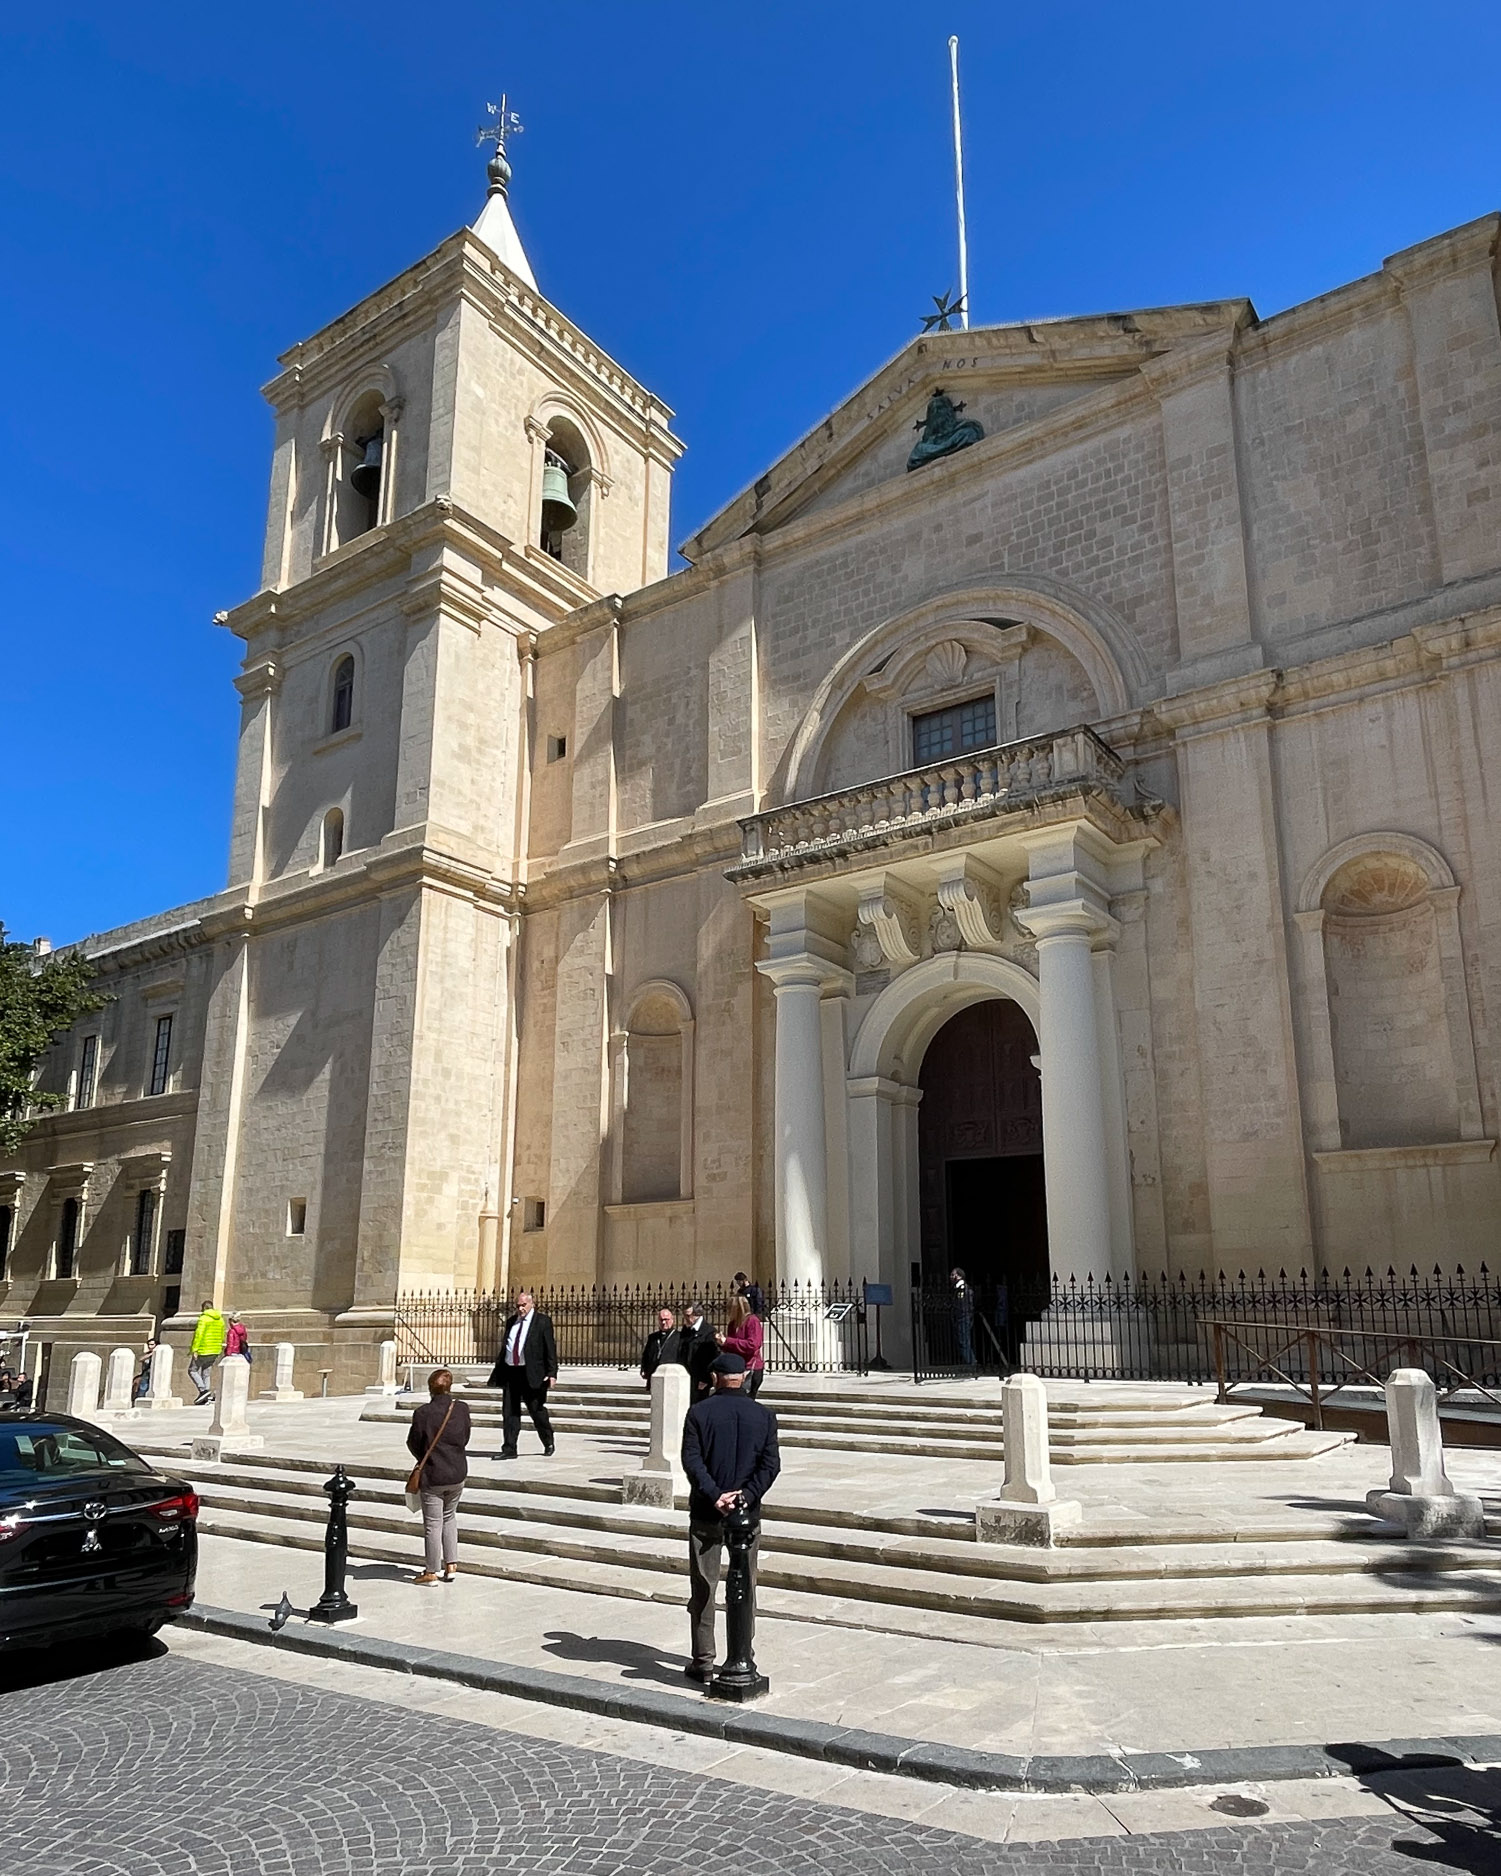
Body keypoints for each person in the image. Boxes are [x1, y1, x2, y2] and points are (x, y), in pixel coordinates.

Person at [680, 1351, 780, 1681]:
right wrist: (746, 1496)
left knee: (704, 1587)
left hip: (708, 1512)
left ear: (715, 1378)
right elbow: (770, 1466)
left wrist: (715, 1494)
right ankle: (742, 1652)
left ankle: (704, 1658)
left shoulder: (699, 1413)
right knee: (746, 1585)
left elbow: (692, 1461)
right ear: (743, 1376)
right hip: (746, 1516)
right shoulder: (763, 1415)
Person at [406, 1367, 472, 1585]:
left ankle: (431, 1571)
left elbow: (413, 1442)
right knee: (449, 1517)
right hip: (457, 1471)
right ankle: (451, 1565)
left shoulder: (423, 1413)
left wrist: (424, 1457)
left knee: (433, 1523)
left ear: (430, 1389)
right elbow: (465, 1437)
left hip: (434, 1473)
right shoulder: (461, 1409)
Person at [486, 1290, 557, 1458]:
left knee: (536, 1409)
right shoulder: (512, 1321)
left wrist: (552, 1372)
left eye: (523, 1305)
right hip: (512, 1372)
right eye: (518, 1305)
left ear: (532, 1304)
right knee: (510, 1411)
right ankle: (509, 1448)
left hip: (532, 1373)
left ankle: (548, 1441)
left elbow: (550, 1348)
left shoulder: (542, 1322)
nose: (520, 1308)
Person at [720, 1294, 765, 1399]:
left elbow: (753, 1345)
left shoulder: (752, 1321)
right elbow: (732, 1346)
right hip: (736, 1367)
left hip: (750, 1367)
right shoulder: (732, 1324)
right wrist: (722, 1343)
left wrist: (728, 1341)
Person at [188, 1298, 227, 1404]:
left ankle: (203, 1390)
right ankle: (207, 1397)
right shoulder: (220, 1319)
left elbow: (199, 1335)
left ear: (203, 1308)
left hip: (203, 1349)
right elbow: (222, 1334)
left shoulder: (203, 1319)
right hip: (215, 1349)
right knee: (206, 1372)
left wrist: (194, 1349)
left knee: (192, 1370)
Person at [678, 1303, 719, 1401]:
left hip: (700, 1379)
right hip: (686, 1376)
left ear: (697, 1315)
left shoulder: (708, 1331)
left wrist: (705, 1379)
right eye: (684, 1315)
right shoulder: (686, 1330)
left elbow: (712, 1357)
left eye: (688, 1315)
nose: (686, 1319)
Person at [640, 1308, 680, 1388]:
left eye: (666, 1319)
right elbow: (646, 1355)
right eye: (661, 1320)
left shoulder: (679, 1337)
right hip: (654, 1374)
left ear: (672, 1320)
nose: (664, 1322)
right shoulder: (653, 1337)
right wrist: (644, 1369)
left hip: (670, 1376)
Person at [950, 1267, 975, 1367]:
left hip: (963, 1318)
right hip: (960, 1318)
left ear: (958, 1276)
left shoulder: (963, 1288)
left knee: (964, 1342)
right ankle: (969, 1363)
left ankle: (971, 1364)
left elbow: (963, 1305)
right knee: (962, 1342)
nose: (951, 1277)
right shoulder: (957, 1288)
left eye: (953, 1275)